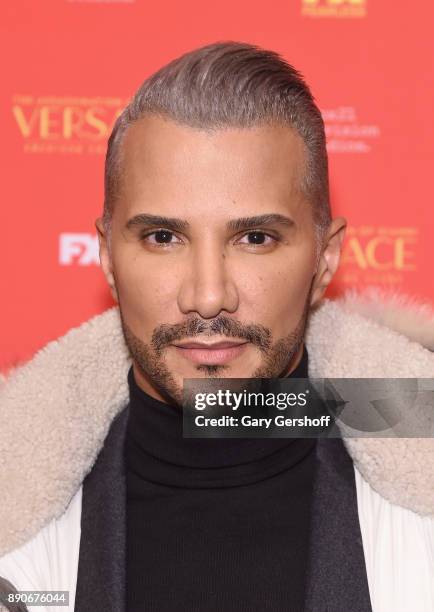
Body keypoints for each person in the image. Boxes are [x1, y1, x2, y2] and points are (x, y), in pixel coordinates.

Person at [0, 41, 433, 612]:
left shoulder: (417, 483)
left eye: (255, 238)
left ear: (324, 260)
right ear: (106, 256)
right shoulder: (16, 520)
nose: (207, 297)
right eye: (163, 237)